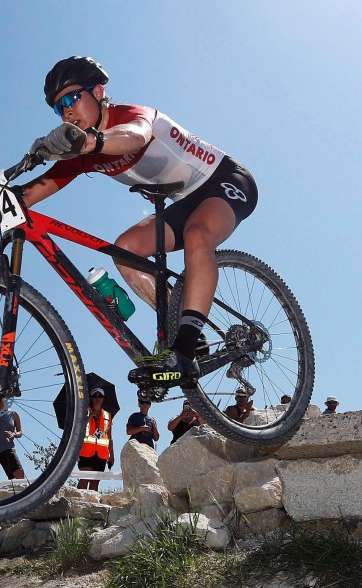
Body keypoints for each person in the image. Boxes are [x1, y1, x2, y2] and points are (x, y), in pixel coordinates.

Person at [13, 56, 258, 383]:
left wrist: (90, 142)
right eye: (60, 108)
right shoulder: (83, 155)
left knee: (199, 235)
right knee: (125, 250)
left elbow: (135, 136)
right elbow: (28, 194)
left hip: (224, 180)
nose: (67, 111)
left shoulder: (133, 117)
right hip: (185, 200)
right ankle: (185, 332)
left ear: (98, 92)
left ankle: (185, 349)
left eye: (72, 98)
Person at [77, 387, 114, 491]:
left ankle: (93, 506)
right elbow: (78, 428)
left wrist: (112, 455)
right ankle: (77, 503)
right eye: (95, 395)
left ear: (103, 398)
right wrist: (90, 416)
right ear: (91, 398)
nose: (97, 398)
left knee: (95, 482)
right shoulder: (84, 412)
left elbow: (110, 436)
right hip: (86, 452)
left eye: (100, 396)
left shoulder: (108, 415)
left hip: (102, 454)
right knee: (84, 479)